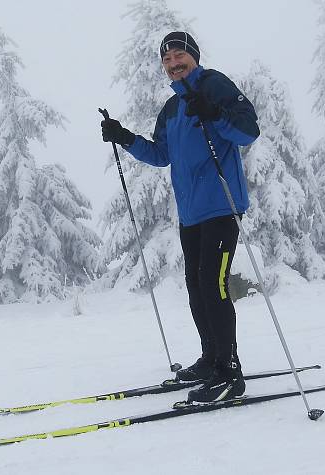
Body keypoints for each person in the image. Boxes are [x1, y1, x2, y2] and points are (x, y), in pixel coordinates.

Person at [100, 31, 259, 402]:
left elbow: (248, 130)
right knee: (196, 286)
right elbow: (160, 155)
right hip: (190, 214)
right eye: (167, 60)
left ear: (194, 56)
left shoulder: (214, 84)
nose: (173, 64)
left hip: (222, 204)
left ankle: (229, 373)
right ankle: (210, 359)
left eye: (179, 56)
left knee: (214, 286)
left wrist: (215, 113)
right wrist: (124, 137)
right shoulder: (172, 108)